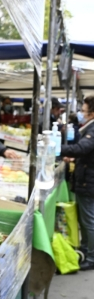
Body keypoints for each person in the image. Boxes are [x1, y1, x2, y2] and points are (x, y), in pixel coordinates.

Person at [61, 96, 94, 270]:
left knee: (89, 220)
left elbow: (83, 148)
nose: (81, 114)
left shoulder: (93, 129)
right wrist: (74, 157)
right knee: (87, 219)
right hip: (87, 180)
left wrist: (57, 147)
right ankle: (86, 249)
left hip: (88, 182)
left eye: (84, 111)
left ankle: (92, 256)